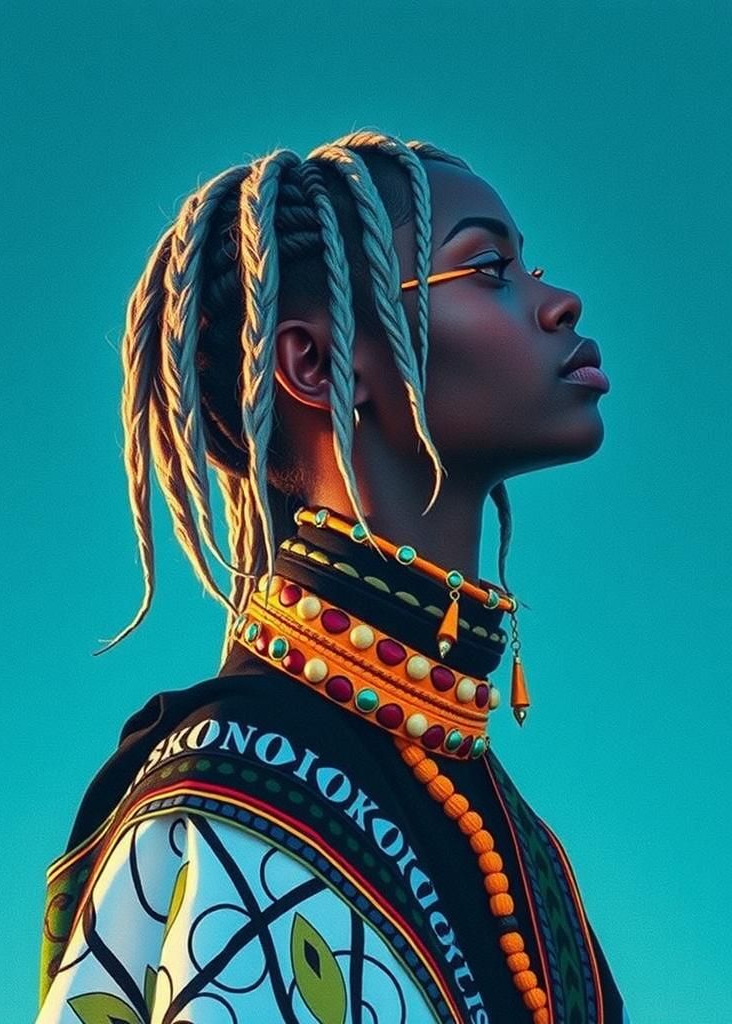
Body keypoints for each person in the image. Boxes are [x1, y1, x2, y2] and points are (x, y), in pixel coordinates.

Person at [34, 129, 628, 1024]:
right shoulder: (225, 789)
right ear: (317, 364)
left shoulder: (527, 856)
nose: (561, 302)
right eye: (491, 270)